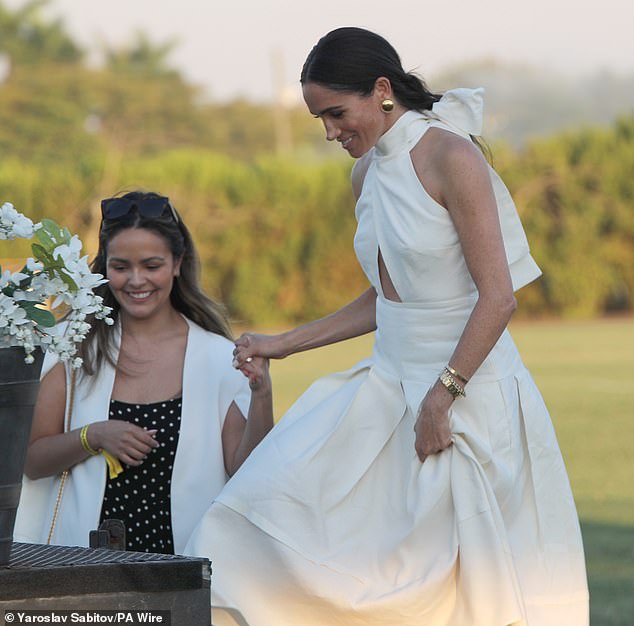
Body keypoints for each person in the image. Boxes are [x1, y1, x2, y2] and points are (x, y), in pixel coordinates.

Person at [186, 27, 589, 625]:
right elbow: (388, 298)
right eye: (319, 119)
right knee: (250, 517)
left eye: (335, 113)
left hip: (467, 401)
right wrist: (283, 344)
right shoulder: (365, 174)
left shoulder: (453, 157)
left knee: (459, 594)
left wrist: (440, 399)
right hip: (386, 391)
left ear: (381, 90)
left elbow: (498, 299)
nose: (329, 132)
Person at [14, 191, 273, 555]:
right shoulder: (73, 349)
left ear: (178, 263)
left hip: (183, 572)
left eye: (152, 266)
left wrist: (262, 395)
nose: (136, 281)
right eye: (121, 267)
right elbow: (32, 462)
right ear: (105, 267)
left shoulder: (217, 357)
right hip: (85, 570)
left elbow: (245, 470)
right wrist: (93, 436)